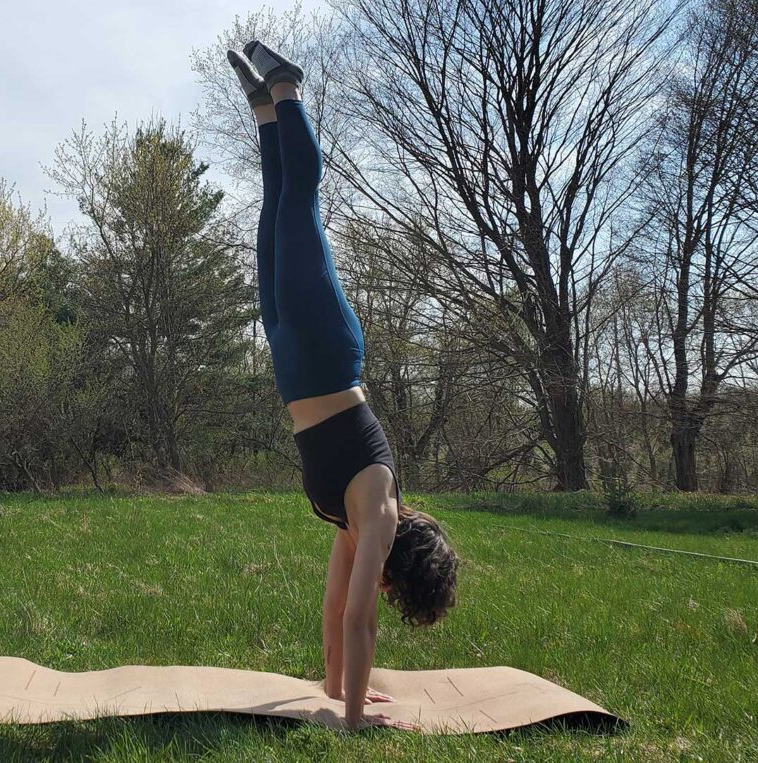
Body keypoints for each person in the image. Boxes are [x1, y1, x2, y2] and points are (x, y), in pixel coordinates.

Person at [227, 41, 460, 732]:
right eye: (391, 587)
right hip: (325, 349)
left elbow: (335, 613)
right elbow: (359, 620)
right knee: (301, 200)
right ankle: (289, 87)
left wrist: (333, 684)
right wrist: (355, 720)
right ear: (398, 568)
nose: (376, 590)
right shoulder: (379, 509)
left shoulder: (353, 525)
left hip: (292, 359)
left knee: (275, 213)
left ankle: (266, 113)